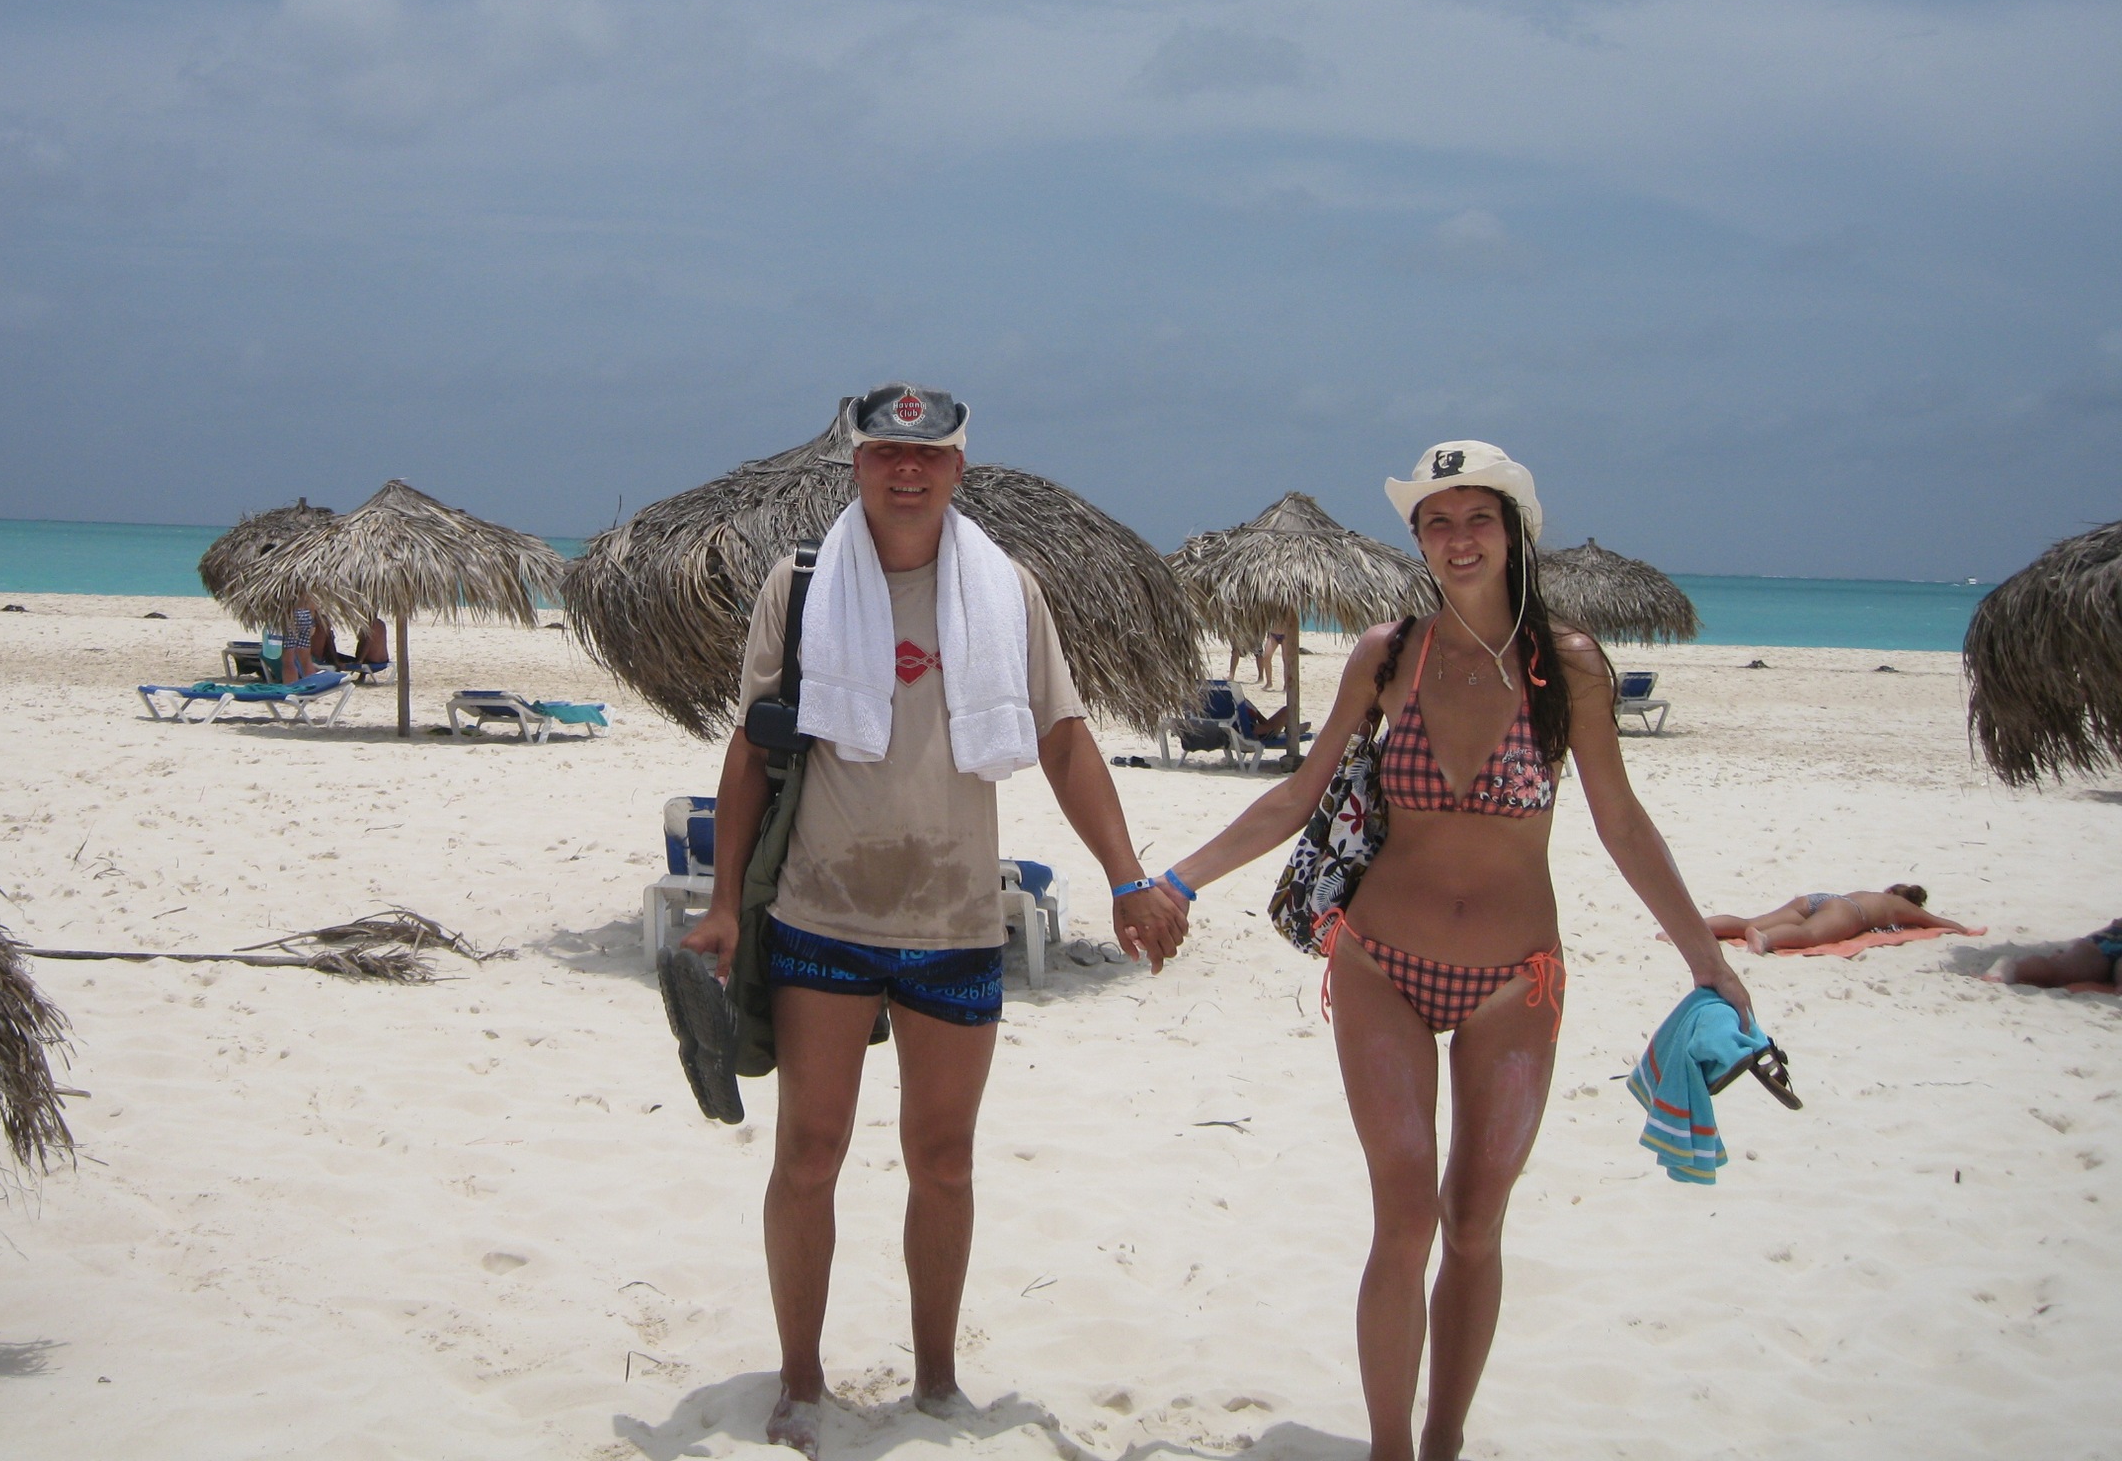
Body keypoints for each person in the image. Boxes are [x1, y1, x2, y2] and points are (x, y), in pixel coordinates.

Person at [1156, 442, 1753, 1461]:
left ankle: (1442, 1442)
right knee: (1403, 1222)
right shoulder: (1388, 655)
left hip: (1515, 984)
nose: (1457, 538)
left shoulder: (1567, 666)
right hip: (1380, 966)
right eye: (1437, 521)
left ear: (1514, 534)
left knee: (1474, 1224)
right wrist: (1176, 881)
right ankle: (1390, 1448)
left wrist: (1707, 960)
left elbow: (1621, 822)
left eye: (1477, 518)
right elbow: (1297, 794)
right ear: (1418, 539)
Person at [678, 382, 1187, 1457]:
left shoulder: (1007, 590)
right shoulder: (802, 584)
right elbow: (752, 746)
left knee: (944, 1160)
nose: (905, 471)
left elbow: (1062, 737)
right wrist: (723, 904)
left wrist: (1126, 876)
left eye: (927, 456)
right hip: (823, 913)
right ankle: (801, 1380)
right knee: (809, 1154)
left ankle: (939, 1380)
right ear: (856, 463)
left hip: (956, 918)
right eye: (883, 453)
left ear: (958, 468)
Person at [1706, 885, 1970, 954]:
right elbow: (1933, 920)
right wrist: (1963, 929)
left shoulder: (1872, 893)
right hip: (1850, 912)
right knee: (1809, 935)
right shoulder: (1901, 905)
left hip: (1821, 898)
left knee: (1749, 921)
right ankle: (1765, 939)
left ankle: (1702, 926)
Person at [1988, 920, 2122, 990]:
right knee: (2059, 970)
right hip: (2113, 938)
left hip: (2111, 937)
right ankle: (2012, 970)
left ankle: (2012, 969)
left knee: (2059, 970)